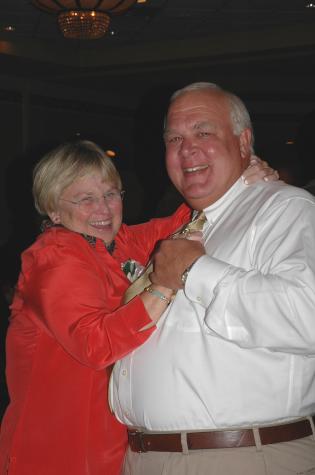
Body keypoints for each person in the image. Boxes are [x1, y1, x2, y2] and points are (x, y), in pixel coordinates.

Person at [0, 139, 276, 475]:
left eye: (111, 194)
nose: (103, 209)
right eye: (85, 199)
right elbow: (96, 344)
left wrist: (239, 178)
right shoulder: (55, 257)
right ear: (54, 210)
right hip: (56, 456)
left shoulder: (118, 244)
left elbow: (184, 221)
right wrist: (164, 284)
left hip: (110, 452)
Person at [111, 82, 315, 475]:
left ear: (244, 142)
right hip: (145, 457)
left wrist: (195, 270)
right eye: (174, 138)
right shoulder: (180, 228)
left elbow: (308, 315)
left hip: (240, 458)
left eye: (203, 132)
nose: (187, 150)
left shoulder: (286, 209)